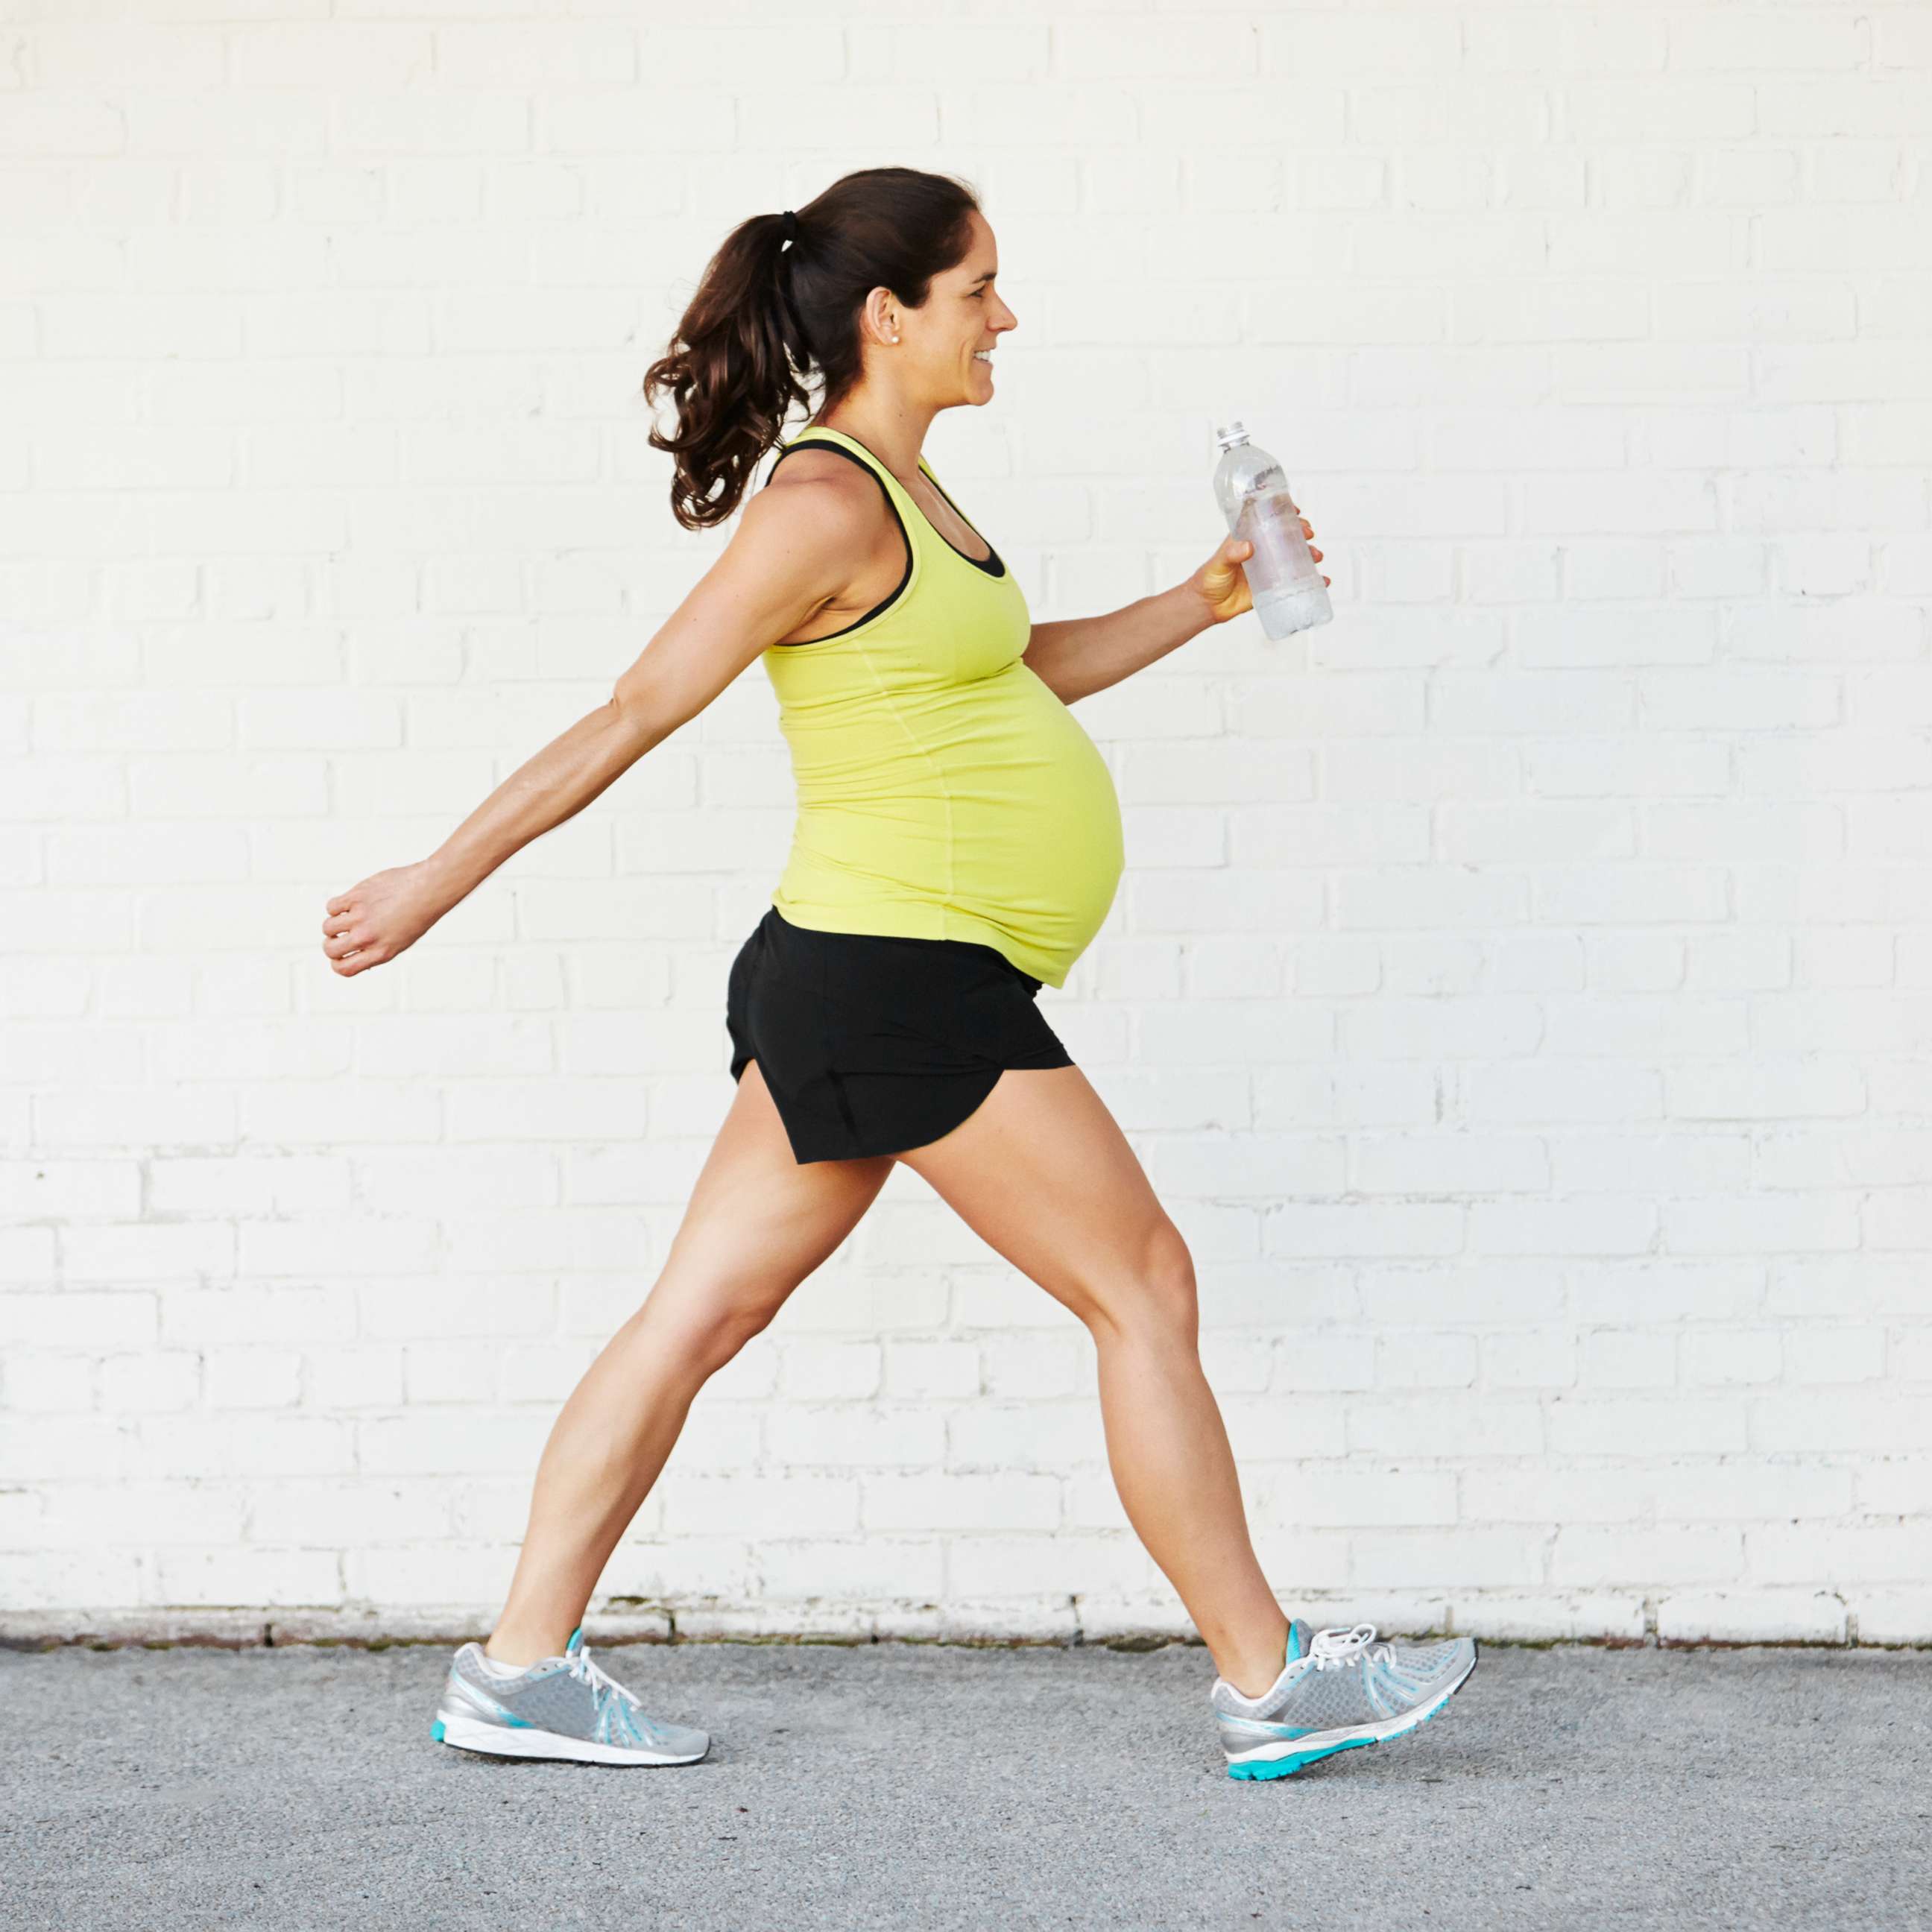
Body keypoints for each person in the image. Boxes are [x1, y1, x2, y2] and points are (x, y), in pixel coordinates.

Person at [320, 165, 1474, 1781]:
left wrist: (1203, 602)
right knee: (1139, 1284)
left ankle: (518, 1673)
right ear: (889, 312)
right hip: (896, 979)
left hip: (857, 975)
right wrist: (434, 882)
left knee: (695, 1318)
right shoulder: (824, 507)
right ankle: (1271, 1682)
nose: (1007, 316)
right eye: (980, 288)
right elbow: (638, 708)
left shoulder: (908, 491)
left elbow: (1004, 678)